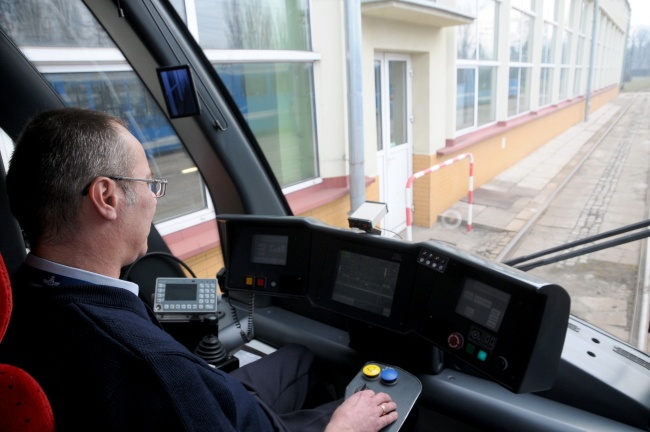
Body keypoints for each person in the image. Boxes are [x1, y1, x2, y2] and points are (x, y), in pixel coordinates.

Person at [0, 107, 398, 431]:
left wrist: (199, 379)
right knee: (374, 408)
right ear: (107, 196)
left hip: (216, 396)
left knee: (301, 356)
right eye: (149, 184)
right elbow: (165, 385)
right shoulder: (153, 369)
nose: (154, 199)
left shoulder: (18, 299)